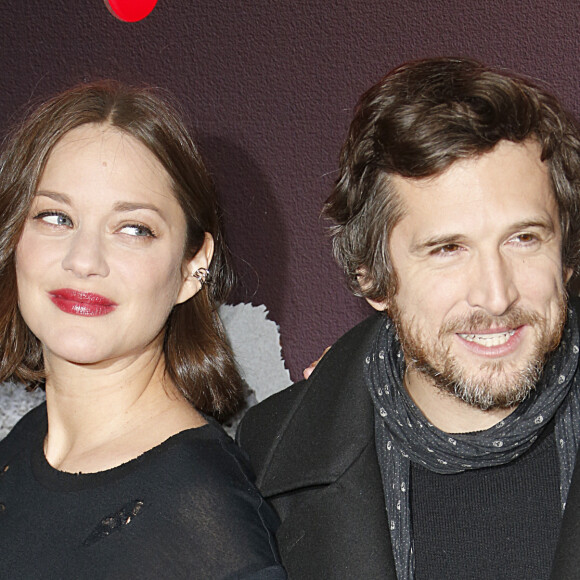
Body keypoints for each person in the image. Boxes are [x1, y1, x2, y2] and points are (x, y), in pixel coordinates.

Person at [237, 57, 580, 579]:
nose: (496, 295)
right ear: (372, 277)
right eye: (446, 249)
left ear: (566, 254)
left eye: (524, 238)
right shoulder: (268, 458)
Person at [0, 81, 286, 579]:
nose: (83, 260)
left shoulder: (204, 516)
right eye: (55, 217)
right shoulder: (22, 448)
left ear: (192, 266)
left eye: (133, 228)